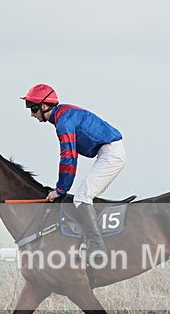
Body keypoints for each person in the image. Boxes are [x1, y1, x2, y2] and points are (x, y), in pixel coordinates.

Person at [21, 83, 126, 259]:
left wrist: (60, 190)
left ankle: (98, 247)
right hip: (107, 152)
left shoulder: (63, 122)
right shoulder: (62, 115)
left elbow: (68, 158)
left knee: (82, 197)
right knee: (85, 195)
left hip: (111, 153)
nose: (32, 114)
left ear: (45, 106)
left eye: (33, 108)